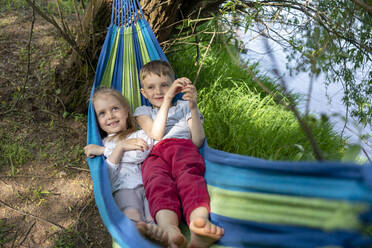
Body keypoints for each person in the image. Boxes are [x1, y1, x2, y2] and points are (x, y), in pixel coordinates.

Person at [134, 60, 224, 248]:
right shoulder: (143, 111)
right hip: (155, 154)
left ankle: (198, 226)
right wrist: (166, 101)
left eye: (164, 85)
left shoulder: (184, 107)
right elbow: (156, 134)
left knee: (190, 179)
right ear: (143, 93)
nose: (158, 91)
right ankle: (170, 232)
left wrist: (192, 107)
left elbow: (198, 141)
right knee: (158, 184)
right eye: (151, 87)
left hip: (183, 149)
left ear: (173, 86)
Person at [84, 87, 168, 246]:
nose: (110, 116)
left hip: (148, 186)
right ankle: (137, 237)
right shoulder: (103, 142)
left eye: (115, 109)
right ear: (96, 120)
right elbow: (108, 174)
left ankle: (155, 235)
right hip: (123, 189)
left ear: (126, 110)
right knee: (131, 212)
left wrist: (113, 150)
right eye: (102, 113)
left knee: (154, 214)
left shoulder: (138, 134)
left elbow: (139, 154)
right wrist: (119, 148)